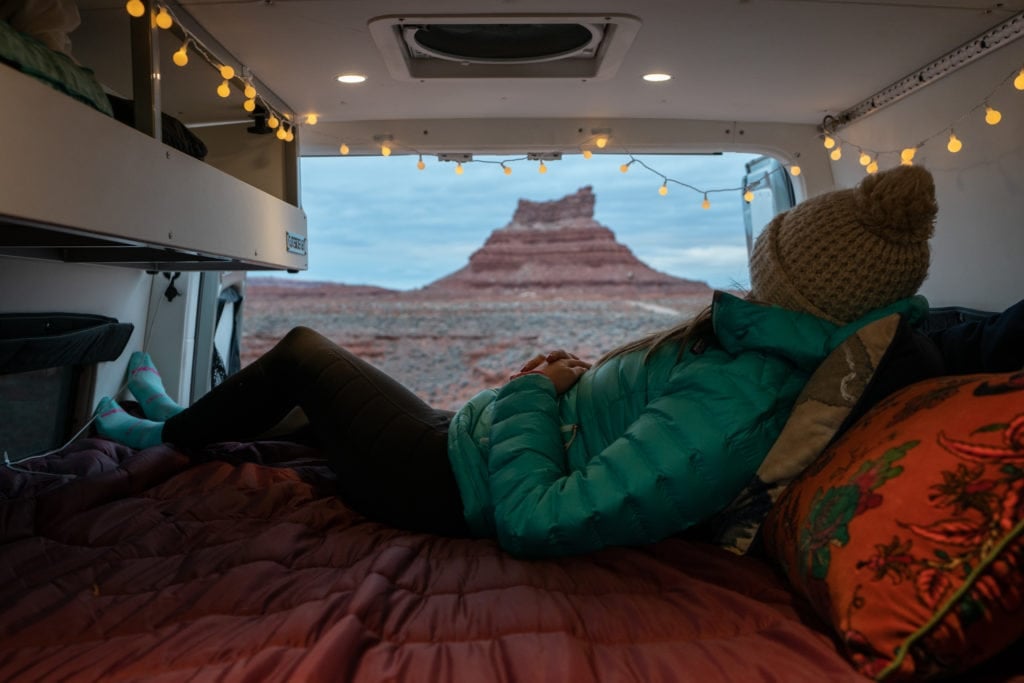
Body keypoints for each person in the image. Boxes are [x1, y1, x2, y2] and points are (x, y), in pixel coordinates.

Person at [95, 164, 939, 558]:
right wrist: (563, 384)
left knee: (307, 355)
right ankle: (172, 417)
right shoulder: (750, 359)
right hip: (466, 446)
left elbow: (540, 518)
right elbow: (622, 431)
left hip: (450, 482)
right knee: (310, 416)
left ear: (792, 276)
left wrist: (534, 391)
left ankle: (157, 437)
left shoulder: (742, 398)